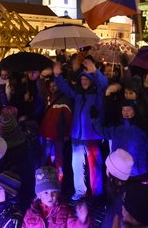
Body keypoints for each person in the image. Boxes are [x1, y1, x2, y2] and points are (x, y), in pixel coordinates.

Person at [53, 59, 107, 200]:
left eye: (86, 79)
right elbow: (65, 88)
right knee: (76, 167)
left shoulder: (98, 95)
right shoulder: (78, 95)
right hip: (76, 136)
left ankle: (97, 194)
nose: (83, 81)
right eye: (82, 79)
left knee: (94, 167)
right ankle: (80, 191)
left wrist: (95, 72)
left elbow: (104, 85)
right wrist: (58, 76)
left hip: (92, 136)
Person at [22, 166, 89, 228]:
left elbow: (73, 226)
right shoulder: (30, 213)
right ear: (39, 195)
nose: (50, 196)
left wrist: (82, 220)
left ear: (58, 193)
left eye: (54, 192)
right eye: (46, 192)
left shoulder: (64, 210)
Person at [102, 149, 135, 228]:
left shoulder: (121, 195)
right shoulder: (120, 187)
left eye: (108, 167)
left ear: (112, 172)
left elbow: (115, 217)